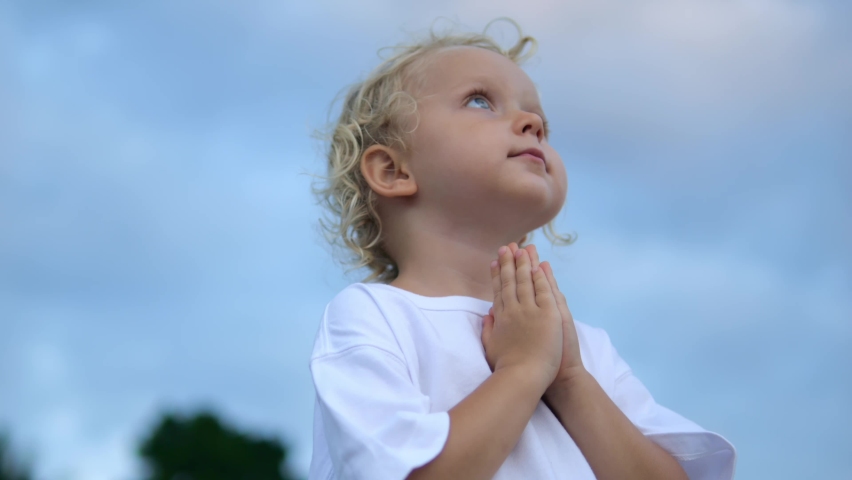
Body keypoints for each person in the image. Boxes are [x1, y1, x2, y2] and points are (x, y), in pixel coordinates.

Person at [307, 18, 736, 480]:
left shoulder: (584, 349)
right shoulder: (374, 316)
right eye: (479, 100)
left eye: (543, 125)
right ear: (393, 171)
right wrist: (524, 368)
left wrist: (570, 380)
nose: (532, 123)